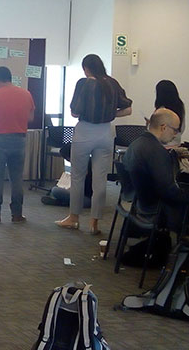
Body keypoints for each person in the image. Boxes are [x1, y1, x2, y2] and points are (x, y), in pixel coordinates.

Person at [56, 54, 132, 235]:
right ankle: (94, 223)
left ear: (86, 68)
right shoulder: (113, 83)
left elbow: (75, 112)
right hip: (106, 133)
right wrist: (110, 114)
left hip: (85, 131)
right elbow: (128, 109)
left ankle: (74, 218)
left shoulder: (83, 84)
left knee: (78, 177)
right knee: (100, 180)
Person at [0, 66, 36, 223]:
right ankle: (17, 215)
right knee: (17, 179)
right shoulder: (26, 94)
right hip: (19, 140)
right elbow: (30, 118)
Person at [123, 108, 189, 232]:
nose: (175, 135)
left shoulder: (135, 145)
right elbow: (167, 190)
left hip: (138, 205)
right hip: (155, 211)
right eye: (175, 130)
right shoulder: (157, 152)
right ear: (164, 127)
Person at [154, 80, 186, 144]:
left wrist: (150, 124)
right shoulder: (180, 106)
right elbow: (182, 128)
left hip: (161, 145)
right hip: (176, 143)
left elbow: (155, 132)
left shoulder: (161, 110)